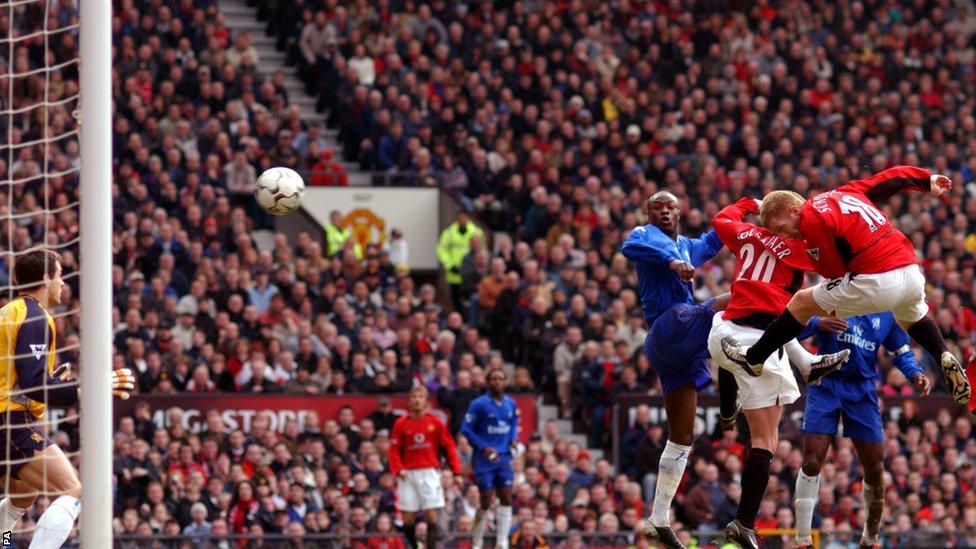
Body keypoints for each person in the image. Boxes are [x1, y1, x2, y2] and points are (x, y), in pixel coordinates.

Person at [721, 167, 970, 406]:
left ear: (793, 210)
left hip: (876, 276)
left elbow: (833, 271)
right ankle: (942, 355)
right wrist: (926, 181)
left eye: (781, 229)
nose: (785, 236)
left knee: (801, 303)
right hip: (910, 271)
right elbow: (888, 180)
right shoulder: (844, 192)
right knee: (912, 317)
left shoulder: (811, 221)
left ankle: (753, 358)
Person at [707, 197, 851, 549]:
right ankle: (743, 522)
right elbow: (834, 263)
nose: (793, 230)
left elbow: (721, 218)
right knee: (765, 441)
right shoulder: (797, 248)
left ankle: (731, 409)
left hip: (722, 331)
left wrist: (749, 203)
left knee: (760, 336)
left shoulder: (745, 233)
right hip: (756, 341)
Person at [0, 249, 135, 547]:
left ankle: (3, 539)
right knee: (73, 489)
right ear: (46, 277)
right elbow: (34, 384)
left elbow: (23, 379)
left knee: (23, 493)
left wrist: (53, 382)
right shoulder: (34, 315)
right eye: (59, 276)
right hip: (10, 420)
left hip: (8, 419)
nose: (62, 284)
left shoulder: (8, 312)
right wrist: (88, 389)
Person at [619, 190, 731, 549]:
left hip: (676, 349)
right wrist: (671, 262)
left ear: (680, 213)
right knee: (744, 297)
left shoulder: (688, 244)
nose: (664, 212)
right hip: (669, 325)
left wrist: (747, 208)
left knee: (682, 437)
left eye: (670, 207)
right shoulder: (643, 235)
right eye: (657, 207)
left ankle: (658, 517)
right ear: (648, 212)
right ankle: (735, 396)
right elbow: (630, 249)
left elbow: (715, 239)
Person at [793, 312, 930, 548]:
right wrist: (819, 323)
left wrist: (915, 373)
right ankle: (802, 539)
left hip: (862, 390)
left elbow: (900, 350)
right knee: (812, 462)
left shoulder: (885, 312)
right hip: (824, 383)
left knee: (875, 467)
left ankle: (870, 537)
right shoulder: (831, 295)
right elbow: (792, 327)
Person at [389, 385, 462, 549]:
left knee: (431, 516)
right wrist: (398, 469)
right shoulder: (401, 424)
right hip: (407, 474)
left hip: (429, 473)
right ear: (409, 401)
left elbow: (449, 447)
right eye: (414, 397)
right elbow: (394, 450)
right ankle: (415, 546)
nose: (416, 400)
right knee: (407, 518)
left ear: (426, 401)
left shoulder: (435, 422)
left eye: (420, 397)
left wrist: (456, 472)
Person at [461, 369, 520, 549]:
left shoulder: (510, 403)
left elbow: (514, 424)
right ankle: (477, 539)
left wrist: (513, 439)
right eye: (494, 379)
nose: (498, 382)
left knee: (506, 497)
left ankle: (502, 541)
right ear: (488, 382)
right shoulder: (478, 404)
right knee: (486, 499)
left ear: (506, 382)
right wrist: (483, 447)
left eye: (501, 378)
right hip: (483, 459)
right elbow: (466, 429)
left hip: (503, 456)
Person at [436, 212, 485, 311]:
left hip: (471, 272)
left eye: (464, 217)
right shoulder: (449, 232)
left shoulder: (476, 231)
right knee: (456, 297)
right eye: (460, 218)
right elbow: (441, 249)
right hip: (455, 271)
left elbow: (482, 249)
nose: (462, 220)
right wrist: (449, 265)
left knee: (471, 298)